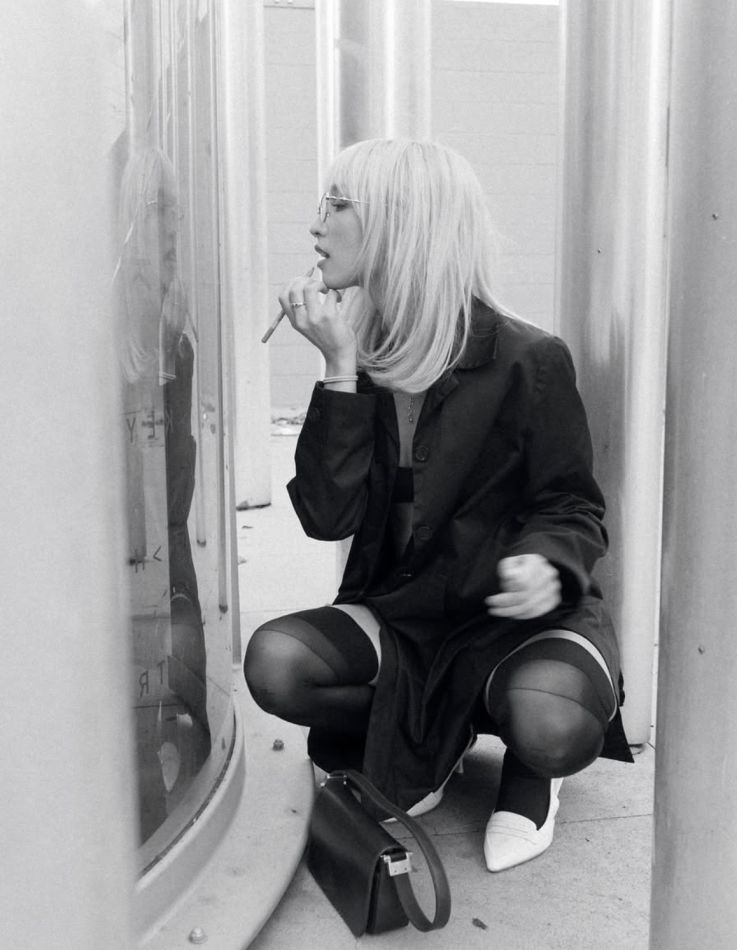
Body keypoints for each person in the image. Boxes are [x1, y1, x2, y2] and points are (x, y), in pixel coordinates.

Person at [244, 138, 631, 873]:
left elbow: (571, 504)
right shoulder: (360, 352)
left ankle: (529, 771)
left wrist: (545, 564)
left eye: (336, 205)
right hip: (403, 616)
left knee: (552, 725)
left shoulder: (526, 357)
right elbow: (326, 517)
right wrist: (337, 370)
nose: (315, 225)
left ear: (400, 223)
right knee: (276, 663)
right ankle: (436, 738)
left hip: (514, 622)